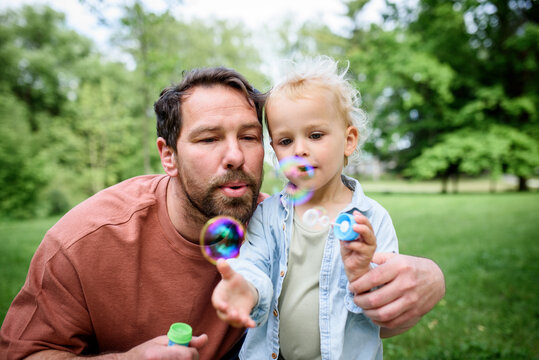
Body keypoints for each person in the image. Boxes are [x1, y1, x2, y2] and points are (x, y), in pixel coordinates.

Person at [0, 66, 445, 360]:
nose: (234, 156)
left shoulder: (275, 219)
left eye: (249, 137)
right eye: (209, 138)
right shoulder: (85, 242)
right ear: (168, 155)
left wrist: (429, 277)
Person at [211, 57, 427, 359]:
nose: (300, 149)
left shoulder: (371, 220)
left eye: (315, 135)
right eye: (286, 140)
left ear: (348, 140)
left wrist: (363, 270)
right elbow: (252, 266)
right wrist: (244, 290)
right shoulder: (269, 215)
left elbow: (386, 311)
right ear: (275, 151)